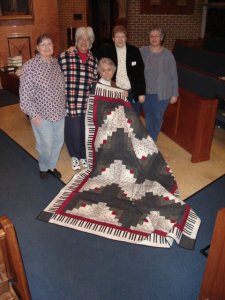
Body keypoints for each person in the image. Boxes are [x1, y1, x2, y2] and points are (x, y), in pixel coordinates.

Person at [19, 33, 66, 179]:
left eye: (49, 44)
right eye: (43, 44)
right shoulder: (30, 67)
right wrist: (32, 114)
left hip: (59, 112)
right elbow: (24, 94)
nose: (47, 47)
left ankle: (51, 166)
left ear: (53, 47)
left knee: (58, 141)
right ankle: (44, 167)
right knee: (46, 144)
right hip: (41, 114)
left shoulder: (56, 64)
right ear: (37, 48)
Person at [58, 26, 98, 171]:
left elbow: (94, 82)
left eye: (87, 39)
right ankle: (74, 155)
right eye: (81, 39)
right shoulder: (65, 56)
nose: (84, 42)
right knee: (72, 131)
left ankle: (82, 155)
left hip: (86, 103)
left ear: (91, 42)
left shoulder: (94, 60)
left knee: (84, 131)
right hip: (70, 102)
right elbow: (53, 73)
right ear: (76, 41)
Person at [96, 25, 145, 114]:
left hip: (133, 92)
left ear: (126, 38)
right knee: (118, 121)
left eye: (122, 36)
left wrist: (141, 93)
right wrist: (74, 49)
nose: (120, 39)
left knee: (134, 121)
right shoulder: (106, 50)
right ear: (113, 38)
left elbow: (140, 73)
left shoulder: (134, 51)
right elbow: (93, 60)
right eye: (117, 36)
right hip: (116, 92)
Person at [140, 27, 178, 141]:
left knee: (157, 117)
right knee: (148, 117)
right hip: (145, 92)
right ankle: (149, 139)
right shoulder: (142, 51)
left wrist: (174, 94)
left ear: (161, 38)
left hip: (162, 94)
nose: (154, 38)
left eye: (157, 36)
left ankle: (151, 141)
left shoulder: (168, 55)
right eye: (152, 36)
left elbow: (173, 75)